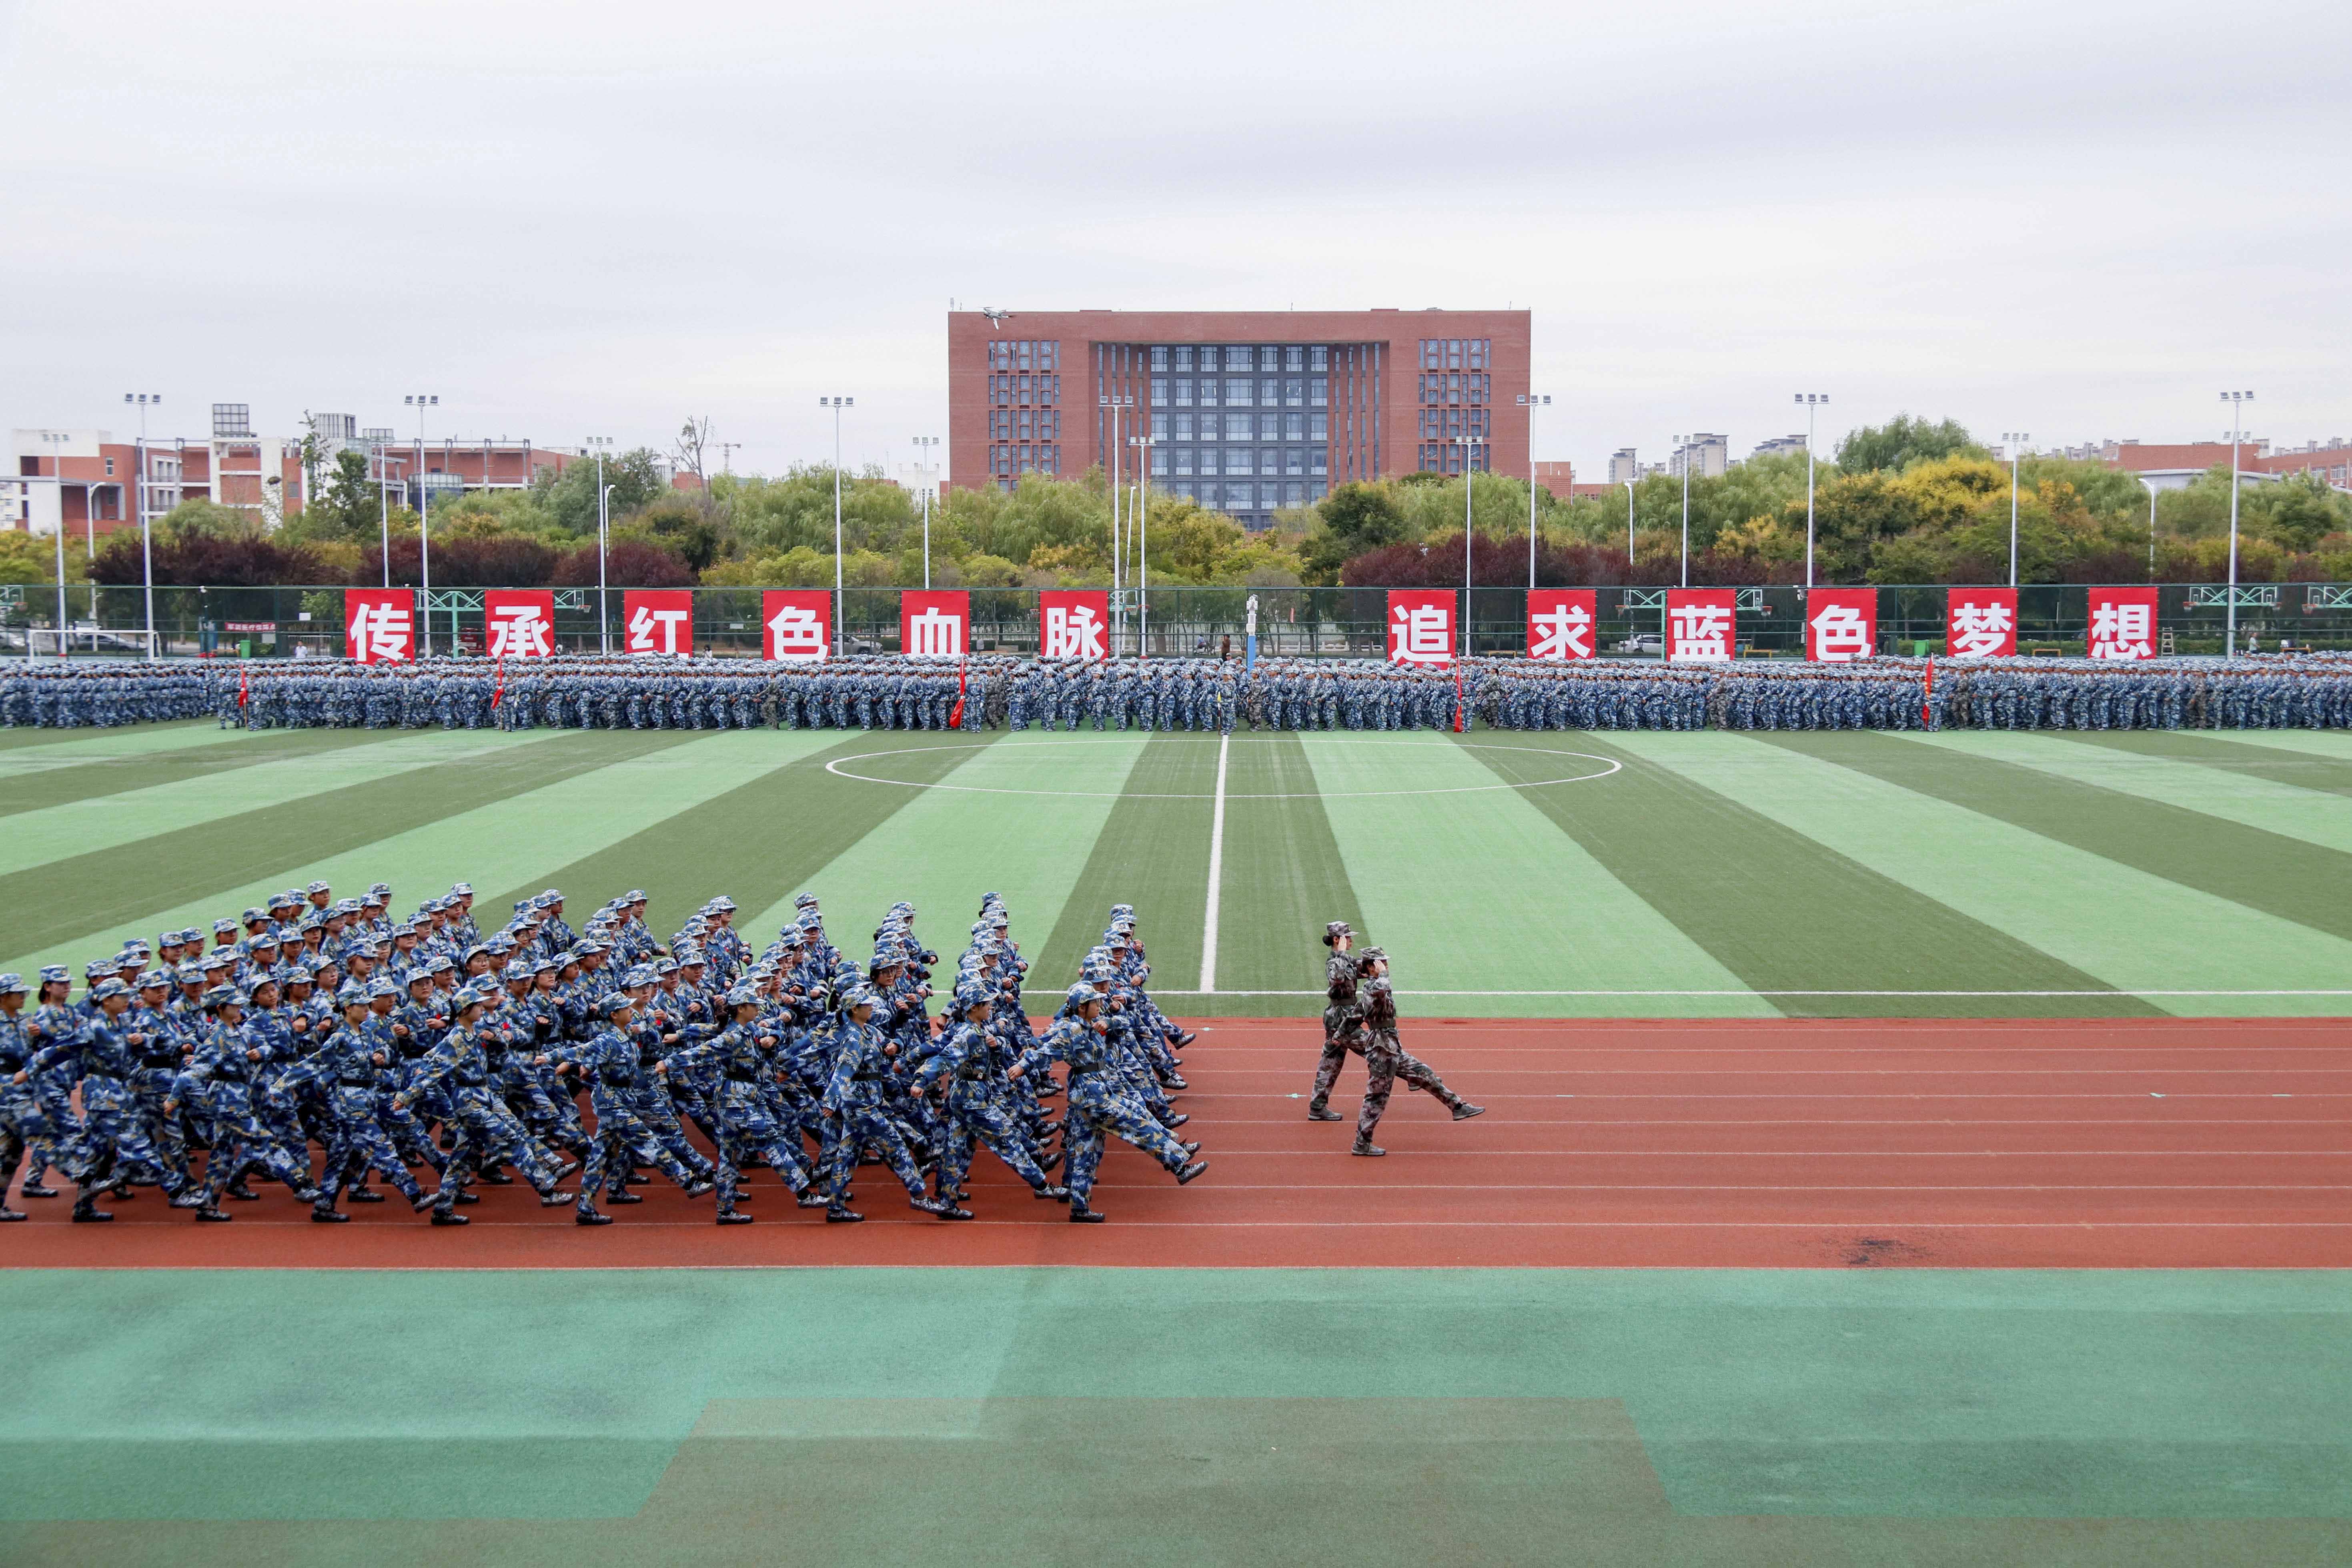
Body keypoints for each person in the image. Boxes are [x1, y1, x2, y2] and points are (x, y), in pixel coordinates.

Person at [1349, 947, 1483, 1157]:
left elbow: (1357, 1013)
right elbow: (1380, 991)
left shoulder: (1376, 986)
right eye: (1382, 963)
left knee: (1424, 1073)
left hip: (1391, 1048)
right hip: (1382, 1051)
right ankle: (1361, 1143)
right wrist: (1383, 975)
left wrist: (1340, 1034)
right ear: (1371, 967)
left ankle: (1457, 1107)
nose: (1386, 966)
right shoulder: (1374, 987)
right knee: (1376, 1099)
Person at [1307, 919, 1364, 1123]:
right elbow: (1338, 979)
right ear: (1337, 940)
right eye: (1347, 938)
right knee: (1379, 1050)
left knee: (1331, 1063)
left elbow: (1363, 969)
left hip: (1343, 1016)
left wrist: (1376, 962)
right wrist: (1340, 954)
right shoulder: (1334, 962)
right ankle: (1413, 1074)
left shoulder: (1347, 959)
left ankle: (1317, 1107)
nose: (1351, 941)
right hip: (1341, 1018)